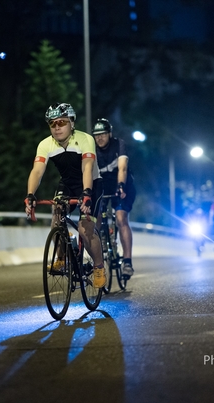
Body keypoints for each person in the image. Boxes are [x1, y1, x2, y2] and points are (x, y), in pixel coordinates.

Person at [24, 103, 107, 289]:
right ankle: (62, 257)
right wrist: (30, 195)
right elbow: (37, 172)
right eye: (52, 124)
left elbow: (87, 167)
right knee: (57, 216)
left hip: (91, 183)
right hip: (68, 184)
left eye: (61, 122)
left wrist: (86, 193)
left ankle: (99, 267)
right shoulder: (45, 144)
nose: (57, 127)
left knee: (85, 229)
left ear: (72, 122)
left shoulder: (85, 139)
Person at [92, 118, 136, 277]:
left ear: (109, 134)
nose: (99, 138)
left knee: (120, 218)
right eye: (96, 135)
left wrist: (121, 186)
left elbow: (122, 168)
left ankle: (127, 262)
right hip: (103, 188)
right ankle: (99, 248)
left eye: (103, 134)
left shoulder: (118, 145)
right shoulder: (92, 149)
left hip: (122, 187)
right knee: (95, 217)